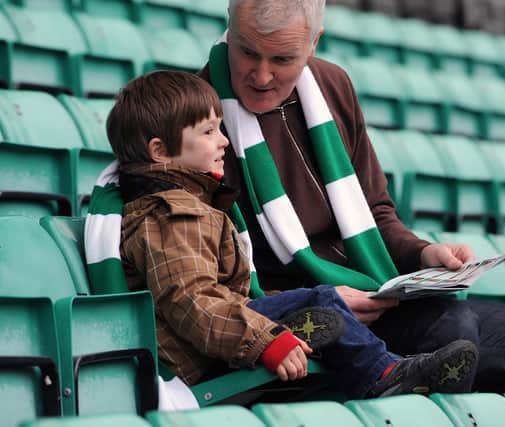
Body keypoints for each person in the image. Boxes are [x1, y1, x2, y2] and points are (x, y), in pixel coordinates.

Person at [195, 0, 505, 394]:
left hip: (373, 296)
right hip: (301, 322)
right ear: (230, 26)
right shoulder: (193, 116)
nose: (260, 75)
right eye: (247, 52)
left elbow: (376, 212)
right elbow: (204, 284)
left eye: (281, 59)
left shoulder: (333, 86)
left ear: (313, 46)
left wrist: (424, 254)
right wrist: (315, 299)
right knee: (453, 330)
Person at [106, 70, 478, 399]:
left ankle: (375, 361)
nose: (224, 141)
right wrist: (265, 341)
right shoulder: (171, 216)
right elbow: (193, 305)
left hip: (220, 333)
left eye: (221, 128)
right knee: (320, 300)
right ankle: (383, 373)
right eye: (208, 132)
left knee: (318, 303)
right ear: (160, 152)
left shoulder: (191, 206)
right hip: (202, 357)